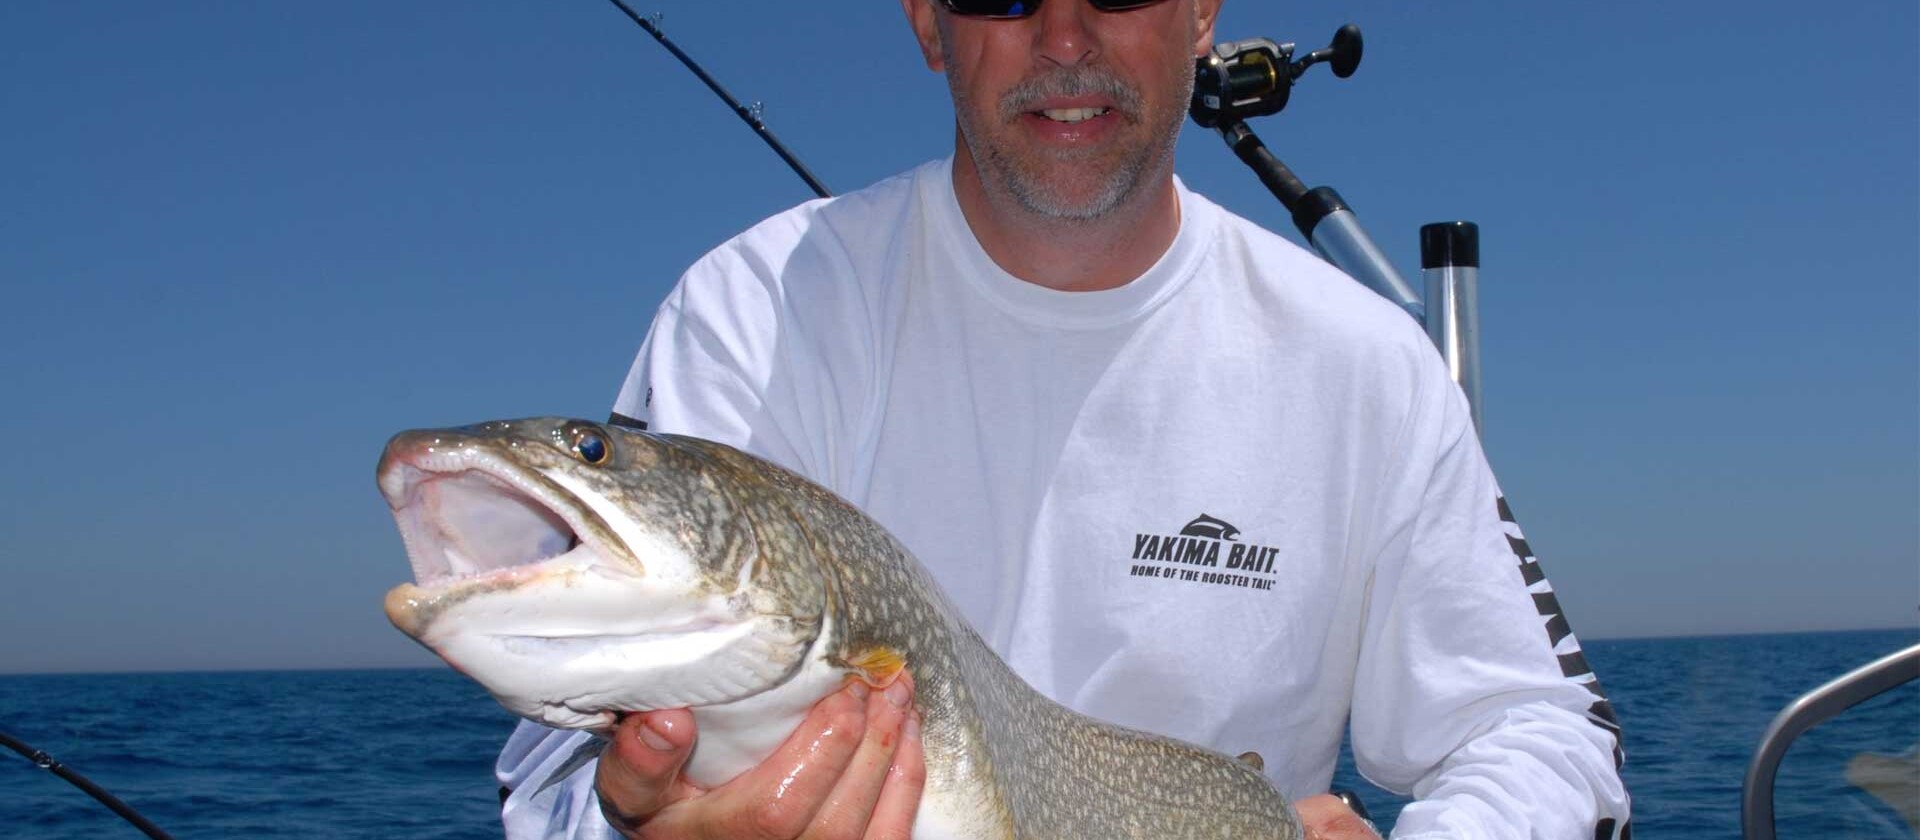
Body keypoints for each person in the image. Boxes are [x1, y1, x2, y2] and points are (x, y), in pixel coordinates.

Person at [496, 0, 1632, 837]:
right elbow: (555, 771)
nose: (1067, 35)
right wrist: (629, 823)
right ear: (925, 23)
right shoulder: (757, 311)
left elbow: (1543, 736)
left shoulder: (1370, 368)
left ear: (1201, 12)